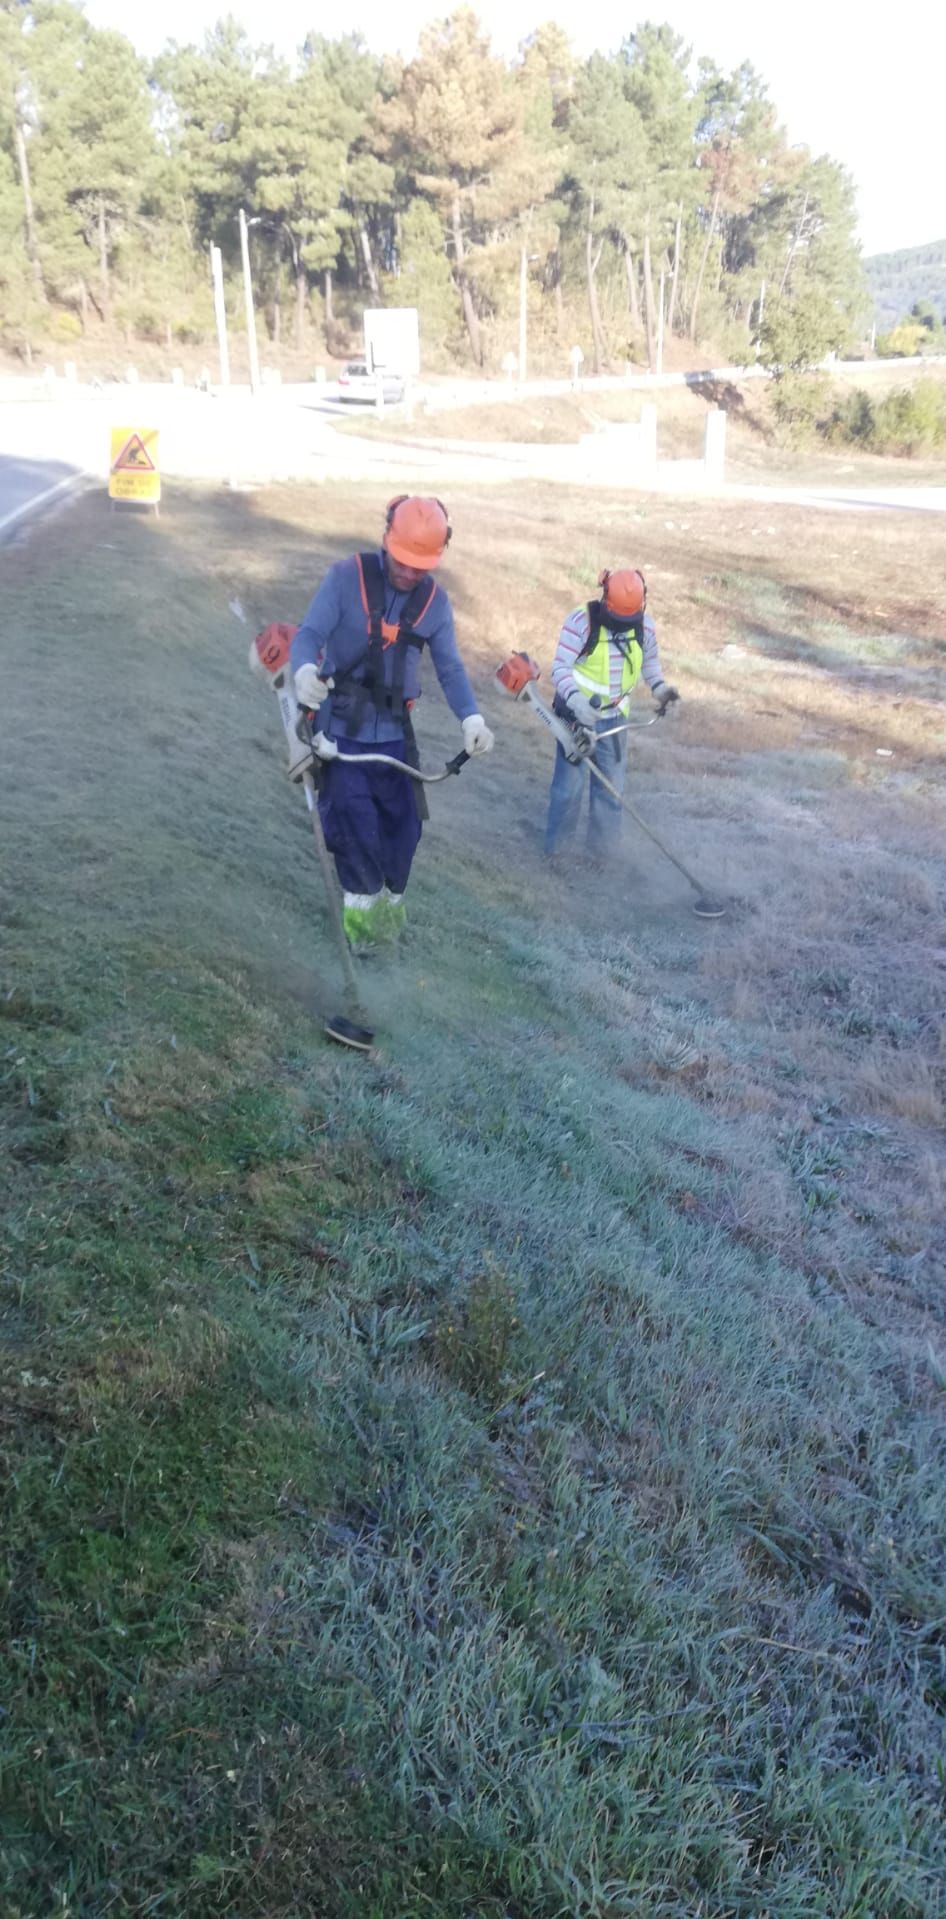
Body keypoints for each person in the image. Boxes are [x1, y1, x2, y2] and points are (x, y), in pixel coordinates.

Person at [289, 495, 494, 952]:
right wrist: (304, 671)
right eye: (403, 561)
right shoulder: (346, 579)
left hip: (396, 739)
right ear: (386, 541)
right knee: (356, 830)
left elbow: (451, 669)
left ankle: (388, 924)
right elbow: (308, 636)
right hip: (340, 735)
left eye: (421, 565)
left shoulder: (435, 605)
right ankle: (362, 944)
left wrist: (471, 717)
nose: (409, 573)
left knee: (405, 831)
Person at [543, 566, 678, 859]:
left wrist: (659, 689)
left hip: (615, 719)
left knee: (611, 792)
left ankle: (600, 859)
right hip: (574, 715)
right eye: (617, 620)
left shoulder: (645, 627)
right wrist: (577, 701)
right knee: (569, 788)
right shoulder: (581, 621)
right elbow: (559, 668)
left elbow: (649, 663)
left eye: (629, 620)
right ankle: (557, 855)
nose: (622, 626)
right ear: (605, 600)